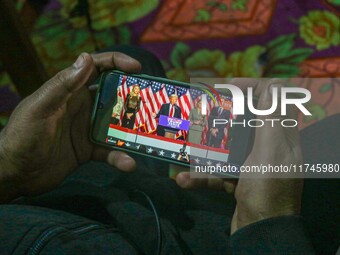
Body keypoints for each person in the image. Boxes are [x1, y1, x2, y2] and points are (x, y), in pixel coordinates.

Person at [0, 49, 332, 254]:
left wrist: (10, 167)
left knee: (129, 61)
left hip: (40, 199)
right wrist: (265, 223)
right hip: (146, 234)